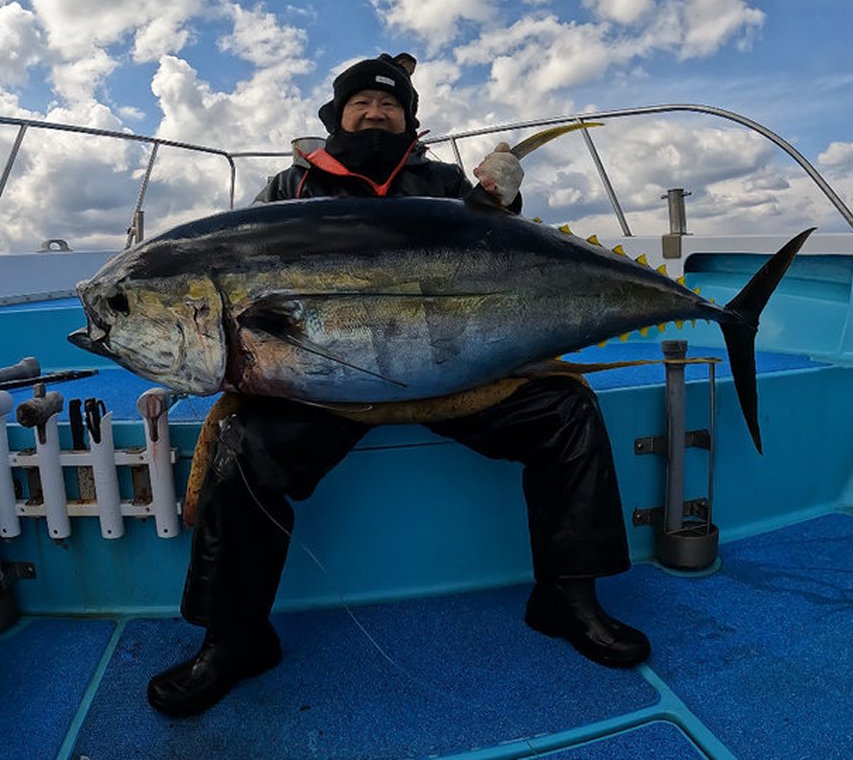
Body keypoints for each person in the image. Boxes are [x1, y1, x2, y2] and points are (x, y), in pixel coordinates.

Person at [147, 54, 650, 718]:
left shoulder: (443, 180)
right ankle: (235, 638)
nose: (376, 111)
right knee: (244, 447)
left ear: (410, 119)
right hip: (326, 387)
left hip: (452, 375)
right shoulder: (287, 190)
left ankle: (566, 598)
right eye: (361, 103)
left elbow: (503, 247)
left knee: (566, 408)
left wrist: (507, 198)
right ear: (336, 116)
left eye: (390, 104)